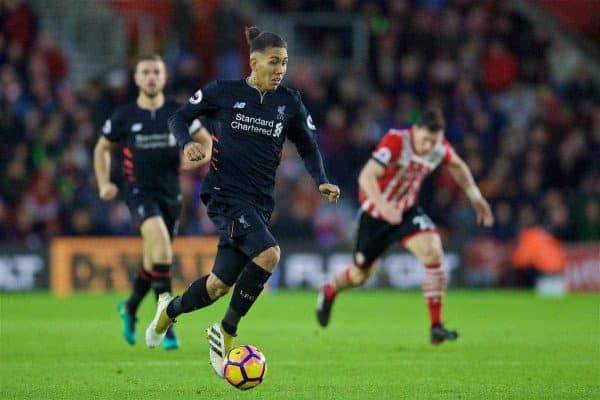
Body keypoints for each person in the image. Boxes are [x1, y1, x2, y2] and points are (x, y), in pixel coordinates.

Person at [145, 26, 341, 376]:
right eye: (274, 62)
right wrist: (185, 143)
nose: (281, 69)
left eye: (284, 62)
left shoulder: (289, 103)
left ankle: (169, 310)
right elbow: (179, 117)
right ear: (254, 62)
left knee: (219, 284)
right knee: (269, 254)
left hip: (260, 205)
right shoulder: (224, 92)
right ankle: (225, 332)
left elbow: (308, 146)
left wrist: (322, 180)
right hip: (225, 197)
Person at [315, 109, 494, 344]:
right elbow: (367, 176)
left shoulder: (437, 147)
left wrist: (475, 196)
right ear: (415, 130)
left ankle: (436, 326)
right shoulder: (397, 141)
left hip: (406, 212)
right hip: (376, 215)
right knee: (359, 275)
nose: (430, 146)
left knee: (433, 251)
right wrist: (382, 205)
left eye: (435, 141)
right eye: (426, 140)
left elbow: (458, 166)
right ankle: (329, 291)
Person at [93, 54, 211, 350]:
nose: (150, 77)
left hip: (171, 195)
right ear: (136, 78)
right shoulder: (124, 116)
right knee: (160, 246)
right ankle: (166, 325)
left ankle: (130, 307)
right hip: (138, 193)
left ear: (164, 76)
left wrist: (195, 159)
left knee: (154, 259)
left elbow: (206, 143)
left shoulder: (178, 113)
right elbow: (102, 148)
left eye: (156, 72)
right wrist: (105, 182)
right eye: (144, 72)